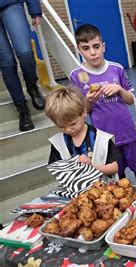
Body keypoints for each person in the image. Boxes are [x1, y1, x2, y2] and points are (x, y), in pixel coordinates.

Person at [69, 24, 136, 185]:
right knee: (119, 179)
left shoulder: (116, 69)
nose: (92, 52)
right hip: (105, 138)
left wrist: (119, 89)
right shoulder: (76, 76)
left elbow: (130, 100)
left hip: (127, 132)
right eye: (86, 48)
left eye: (96, 46)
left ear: (103, 47)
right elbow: (84, 112)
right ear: (79, 50)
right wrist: (89, 99)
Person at [45, 85, 119, 177]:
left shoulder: (101, 138)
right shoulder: (58, 142)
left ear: (83, 112)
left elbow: (114, 167)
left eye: (73, 124)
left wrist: (92, 167)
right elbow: (55, 168)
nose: (68, 129)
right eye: (61, 126)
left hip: (103, 187)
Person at [0, 0, 46, 131]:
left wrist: (35, 10)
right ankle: (22, 110)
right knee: (6, 61)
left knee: (25, 52)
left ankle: (32, 86)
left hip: (11, 4)